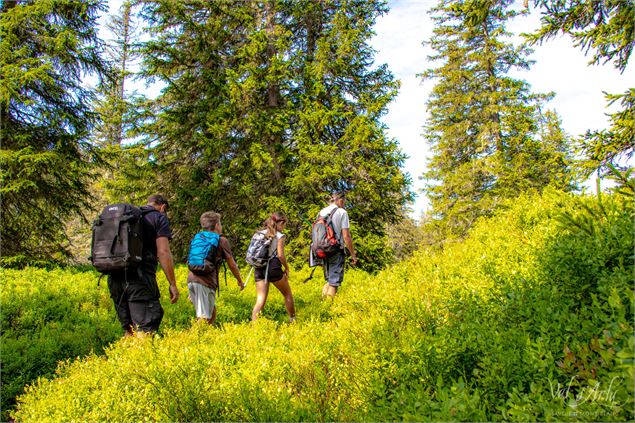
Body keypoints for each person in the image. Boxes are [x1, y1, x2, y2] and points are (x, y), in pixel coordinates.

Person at [108, 194, 179, 337]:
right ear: (163, 207)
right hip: (140, 280)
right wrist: (172, 284)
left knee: (129, 330)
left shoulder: (128, 217)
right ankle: (142, 358)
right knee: (145, 331)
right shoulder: (158, 218)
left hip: (114, 277)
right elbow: (163, 252)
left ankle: (123, 359)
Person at [187, 211, 245, 324]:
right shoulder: (221, 240)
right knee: (203, 318)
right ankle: (192, 339)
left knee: (212, 312)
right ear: (217, 225)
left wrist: (192, 289)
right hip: (205, 282)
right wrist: (240, 281)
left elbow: (193, 260)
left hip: (192, 280)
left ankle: (206, 338)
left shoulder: (198, 238)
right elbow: (232, 264)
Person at [251, 212, 296, 322]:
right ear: (280, 222)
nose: (284, 227)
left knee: (260, 299)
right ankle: (293, 320)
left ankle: (254, 326)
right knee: (287, 293)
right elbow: (280, 255)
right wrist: (286, 267)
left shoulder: (258, 233)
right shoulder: (279, 235)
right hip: (273, 267)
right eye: (284, 224)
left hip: (259, 267)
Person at [318, 192, 357, 298]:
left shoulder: (322, 211)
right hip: (336, 250)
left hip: (322, 249)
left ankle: (322, 305)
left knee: (329, 280)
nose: (344, 204)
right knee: (334, 284)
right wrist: (353, 255)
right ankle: (328, 311)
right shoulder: (342, 212)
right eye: (344, 201)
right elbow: (346, 236)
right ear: (340, 200)